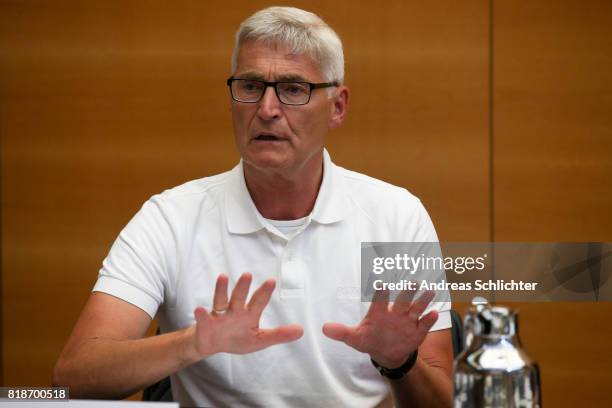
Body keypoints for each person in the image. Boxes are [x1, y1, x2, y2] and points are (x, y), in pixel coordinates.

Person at [53, 6, 453, 407]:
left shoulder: (396, 217)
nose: (266, 109)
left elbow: (443, 400)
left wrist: (399, 362)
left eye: (294, 89)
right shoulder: (170, 218)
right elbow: (74, 376)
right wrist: (194, 342)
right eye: (250, 86)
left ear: (337, 107)